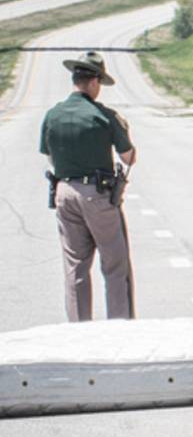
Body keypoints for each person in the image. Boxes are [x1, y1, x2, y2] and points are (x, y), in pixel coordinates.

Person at [39, 52, 136, 322]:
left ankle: (78, 327)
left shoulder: (52, 115)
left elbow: (48, 155)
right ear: (94, 82)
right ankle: (120, 324)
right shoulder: (104, 115)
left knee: (75, 266)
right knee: (115, 264)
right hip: (97, 195)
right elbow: (128, 157)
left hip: (64, 193)